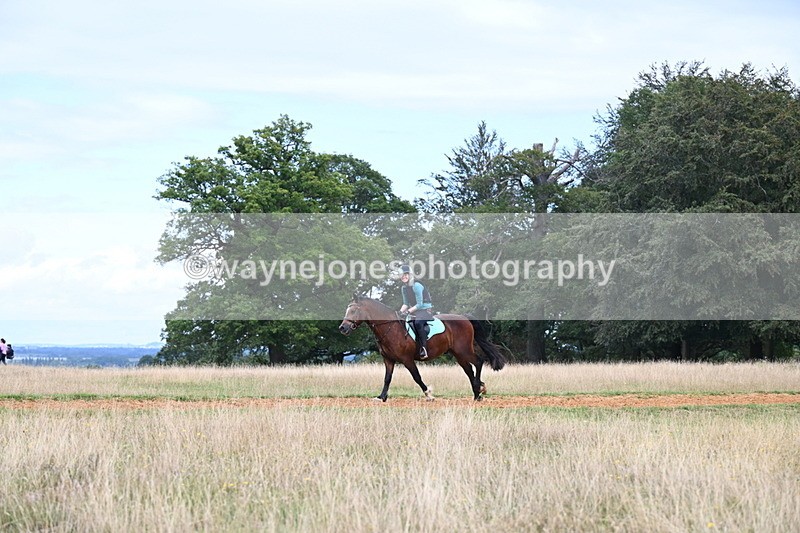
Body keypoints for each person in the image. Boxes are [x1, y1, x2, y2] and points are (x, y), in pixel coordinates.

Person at [398, 264, 434, 359]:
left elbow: (420, 304)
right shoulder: (404, 288)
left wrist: (408, 311)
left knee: (418, 323)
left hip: (425, 310)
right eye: (402, 275)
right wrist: (399, 312)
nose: (404, 276)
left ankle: (424, 349)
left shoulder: (416, 285)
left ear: (410, 275)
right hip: (415, 311)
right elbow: (405, 303)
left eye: (406, 274)